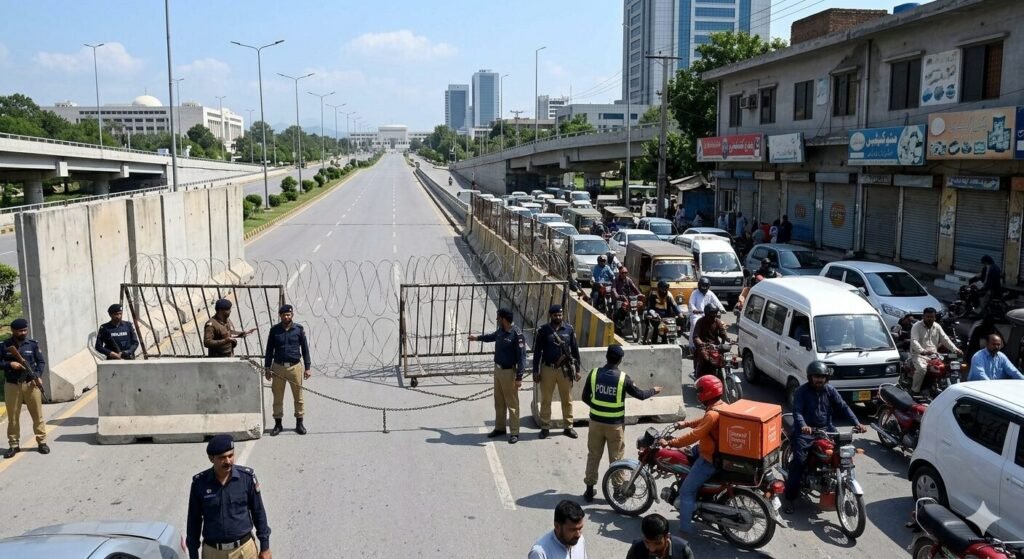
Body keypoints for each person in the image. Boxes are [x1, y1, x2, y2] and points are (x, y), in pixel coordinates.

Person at [783, 361, 866, 514]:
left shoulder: (830, 390)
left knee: (841, 454)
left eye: (822, 377)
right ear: (810, 377)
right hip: (805, 432)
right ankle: (789, 498)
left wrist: (857, 423)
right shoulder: (802, 391)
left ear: (826, 378)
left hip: (826, 429)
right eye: (816, 376)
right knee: (799, 462)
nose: (819, 379)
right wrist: (803, 425)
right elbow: (797, 411)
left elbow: (843, 406)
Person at [581, 344, 661, 501]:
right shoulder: (624, 379)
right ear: (620, 360)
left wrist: (598, 408)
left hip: (595, 423)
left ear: (606, 357)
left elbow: (585, 397)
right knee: (617, 459)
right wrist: (654, 390)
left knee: (593, 456)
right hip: (614, 426)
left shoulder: (594, 374)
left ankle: (589, 490)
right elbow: (641, 395)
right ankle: (617, 491)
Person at [187, 434, 272, 559]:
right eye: (222, 457)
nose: (228, 461)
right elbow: (193, 521)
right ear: (211, 458)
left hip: (244, 550)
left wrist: (265, 547)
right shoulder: (199, 484)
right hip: (213, 553)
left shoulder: (246, 478)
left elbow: (258, 512)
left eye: (230, 455)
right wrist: (193, 554)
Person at [663, 376, 726, 537]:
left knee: (686, 492)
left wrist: (672, 443)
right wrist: (684, 424)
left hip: (709, 459)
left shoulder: (712, 415)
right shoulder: (721, 406)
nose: (698, 395)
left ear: (707, 393)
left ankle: (684, 531)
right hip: (710, 450)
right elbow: (704, 420)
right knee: (689, 452)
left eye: (699, 391)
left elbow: (695, 434)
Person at [469, 307, 527, 444]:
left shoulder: (516, 335)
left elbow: (522, 358)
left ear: (504, 319)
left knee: (512, 404)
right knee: (499, 401)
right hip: (498, 371)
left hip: (509, 373)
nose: (496, 319)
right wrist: (477, 338)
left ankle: (514, 432)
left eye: (498, 317)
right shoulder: (501, 330)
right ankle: (500, 428)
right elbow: (491, 337)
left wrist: (519, 377)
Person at [533, 305, 582, 439]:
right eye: (555, 315)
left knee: (567, 399)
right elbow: (537, 352)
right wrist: (536, 371)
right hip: (547, 369)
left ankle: (568, 426)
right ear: (550, 315)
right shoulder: (543, 331)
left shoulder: (569, 329)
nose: (558, 317)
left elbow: (575, 350)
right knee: (546, 400)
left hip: (565, 370)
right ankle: (545, 427)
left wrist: (577, 370)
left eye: (560, 315)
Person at [263, 304, 312, 436]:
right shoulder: (274, 330)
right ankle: (278, 424)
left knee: (298, 397)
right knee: (277, 397)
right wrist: (267, 367)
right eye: (284, 315)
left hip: (294, 367)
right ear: (280, 316)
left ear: (292, 315)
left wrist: (307, 367)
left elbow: (305, 349)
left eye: (288, 315)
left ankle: (299, 423)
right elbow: (269, 350)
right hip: (278, 367)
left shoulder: (299, 330)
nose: (286, 317)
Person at [2, 318, 48, 458]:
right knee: (13, 417)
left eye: (25, 330)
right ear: (13, 330)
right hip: (12, 385)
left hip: (31, 384)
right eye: (20, 331)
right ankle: (14, 445)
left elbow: (41, 362)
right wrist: (10, 365)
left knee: (37, 415)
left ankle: (42, 442)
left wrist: (38, 376)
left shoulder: (32, 344)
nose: (23, 333)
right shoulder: (4, 345)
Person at [909, 307, 962, 394]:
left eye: (932, 317)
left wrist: (955, 349)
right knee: (922, 369)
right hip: (919, 355)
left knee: (944, 368)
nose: (929, 319)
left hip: (934, 355)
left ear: (935, 317)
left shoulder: (937, 326)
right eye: (927, 316)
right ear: (923, 317)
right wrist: (923, 351)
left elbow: (945, 339)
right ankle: (915, 391)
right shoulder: (916, 326)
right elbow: (914, 341)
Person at [625, 513, 695, 559]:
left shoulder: (683, 550)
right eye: (647, 542)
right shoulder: (637, 549)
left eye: (657, 543)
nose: (652, 549)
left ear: (667, 536)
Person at [687, 277, 724, 351]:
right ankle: (692, 346)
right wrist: (695, 310)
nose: (704, 288)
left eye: (705, 286)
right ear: (699, 286)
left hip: (709, 314)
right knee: (694, 324)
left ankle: (715, 343)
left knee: (718, 324)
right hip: (697, 315)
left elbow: (717, 302)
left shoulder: (710, 293)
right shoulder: (695, 293)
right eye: (702, 286)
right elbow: (691, 304)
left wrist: (722, 309)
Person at [692, 305, 729, 377]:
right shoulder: (700, 322)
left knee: (726, 358)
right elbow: (696, 336)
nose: (714, 316)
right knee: (703, 357)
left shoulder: (717, 321)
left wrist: (728, 339)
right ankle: (698, 375)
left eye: (715, 314)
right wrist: (701, 343)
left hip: (716, 346)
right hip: (704, 346)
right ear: (707, 314)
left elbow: (722, 333)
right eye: (712, 314)